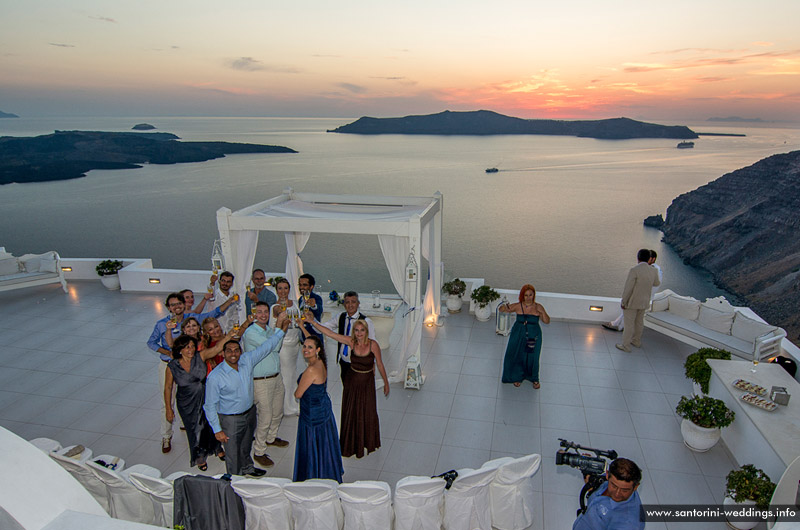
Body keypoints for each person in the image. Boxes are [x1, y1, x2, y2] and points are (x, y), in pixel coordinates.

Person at [147, 292, 235, 454]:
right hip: (169, 365)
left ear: (184, 304)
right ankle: (166, 435)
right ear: (168, 307)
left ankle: (203, 436)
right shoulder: (162, 324)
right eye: (172, 305)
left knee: (200, 405)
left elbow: (213, 314)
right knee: (168, 399)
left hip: (194, 371)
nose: (176, 307)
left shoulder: (192, 318)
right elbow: (152, 343)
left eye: (179, 303)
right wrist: (167, 353)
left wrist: (231, 300)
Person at [203, 312, 289, 477]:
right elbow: (209, 405)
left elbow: (267, 346)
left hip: (249, 414)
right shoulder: (215, 376)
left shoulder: (246, 361)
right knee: (233, 452)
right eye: (229, 351)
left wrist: (280, 330)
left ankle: (248, 468)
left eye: (236, 350)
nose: (233, 354)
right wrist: (217, 429)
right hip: (230, 419)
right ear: (223, 353)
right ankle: (235, 480)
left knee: (245, 446)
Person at [309, 314, 389, 458]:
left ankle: (367, 441)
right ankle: (351, 443)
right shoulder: (351, 342)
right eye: (356, 330)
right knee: (352, 412)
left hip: (367, 385)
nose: (359, 333)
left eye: (362, 330)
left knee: (368, 412)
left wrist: (386, 382)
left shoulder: (373, 345)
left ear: (366, 331)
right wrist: (312, 322)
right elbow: (330, 333)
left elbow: (380, 364)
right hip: (352, 383)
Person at [164, 334, 230, 471]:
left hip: (205, 397)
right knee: (194, 429)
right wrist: (168, 409)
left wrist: (230, 334)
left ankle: (217, 447)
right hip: (186, 403)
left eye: (193, 346)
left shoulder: (200, 357)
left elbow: (218, 347)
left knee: (210, 423)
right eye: (187, 347)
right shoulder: (172, 366)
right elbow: (168, 387)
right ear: (180, 349)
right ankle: (199, 455)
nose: (191, 350)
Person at [242, 301, 291, 469]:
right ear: (254, 314)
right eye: (260, 312)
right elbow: (275, 346)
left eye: (265, 312)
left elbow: (275, 347)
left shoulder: (269, 330)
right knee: (265, 416)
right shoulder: (250, 333)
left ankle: (271, 437)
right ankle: (259, 451)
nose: (263, 315)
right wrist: (279, 325)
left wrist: (277, 328)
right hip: (261, 381)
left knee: (278, 412)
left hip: (276, 377)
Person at [292, 335, 344, 482]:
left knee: (312, 446)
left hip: (312, 413)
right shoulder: (322, 362)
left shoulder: (310, 371)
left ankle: (313, 475)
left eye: (310, 347)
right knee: (324, 444)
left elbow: (298, 393)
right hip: (323, 408)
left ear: (318, 350)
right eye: (304, 346)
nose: (306, 350)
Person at [500, 284, 551, 389]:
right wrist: (503, 307)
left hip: (533, 335)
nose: (528, 297)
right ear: (522, 296)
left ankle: (534, 378)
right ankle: (517, 376)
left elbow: (547, 321)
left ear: (534, 295)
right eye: (526, 295)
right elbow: (504, 309)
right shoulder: (518, 306)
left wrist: (542, 313)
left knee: (532, 357)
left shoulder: (538, 307)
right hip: (518, 334)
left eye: (530, 295)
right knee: (517, 354)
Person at [572, 458, 644, 530]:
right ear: (607, 475)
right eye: (614, 486)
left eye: (624, 490)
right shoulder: (605, 480)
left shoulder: (629, 524)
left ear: (636, 487)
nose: (617, 493)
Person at [320, 291, 376, 383]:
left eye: (353, 302)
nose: (350, 305)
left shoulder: (366, 321)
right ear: (343, 304)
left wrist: (372, 363)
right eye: (347, 302)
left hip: (359, 362)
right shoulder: (340, 317)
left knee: (357, 390)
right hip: (344, 361)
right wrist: (312, 322)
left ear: (358, 304)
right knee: (346, 388)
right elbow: (325, 327)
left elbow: (373, 343)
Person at [603, 249, 662, 332]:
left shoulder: (652, 269)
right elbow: (656, 284)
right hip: (645, 298)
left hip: (640, 297)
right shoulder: (655, 269)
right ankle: (616, 324)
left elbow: (634, 286)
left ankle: (620, 328)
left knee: (628, 313)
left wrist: (625, 300)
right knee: (634, 317)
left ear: (653, 259)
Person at [616, 249, 660, 353]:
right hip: (644, 302)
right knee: (639, 323)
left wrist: (624, 301)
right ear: (649, 258)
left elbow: (628, 288)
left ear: (638, 258)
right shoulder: (653, 270)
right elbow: (656, 283)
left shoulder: (634, 270)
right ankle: (636, 341)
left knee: (629, 324)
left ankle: (625, 346)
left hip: (632, 302)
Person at [272, 277, 303, 416]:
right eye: (280, 288)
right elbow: (275, 318)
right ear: (276, 290)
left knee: (293, 373)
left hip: (295, 343)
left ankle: (292, 402)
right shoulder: (275, 307)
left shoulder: (295, 304)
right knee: (286, 375)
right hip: (284, 345)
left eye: (285, 288)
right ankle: (286, 407)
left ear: (289, 289)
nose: (283, 291)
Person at [298, 273, 323, 339]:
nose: (301, 287)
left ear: (311, 286)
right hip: (303, 337)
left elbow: (319, 310)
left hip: (314, 337)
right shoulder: (300, 299)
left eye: (304, 285)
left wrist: (314, 305)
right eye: (300, 285)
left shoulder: (316, 298)